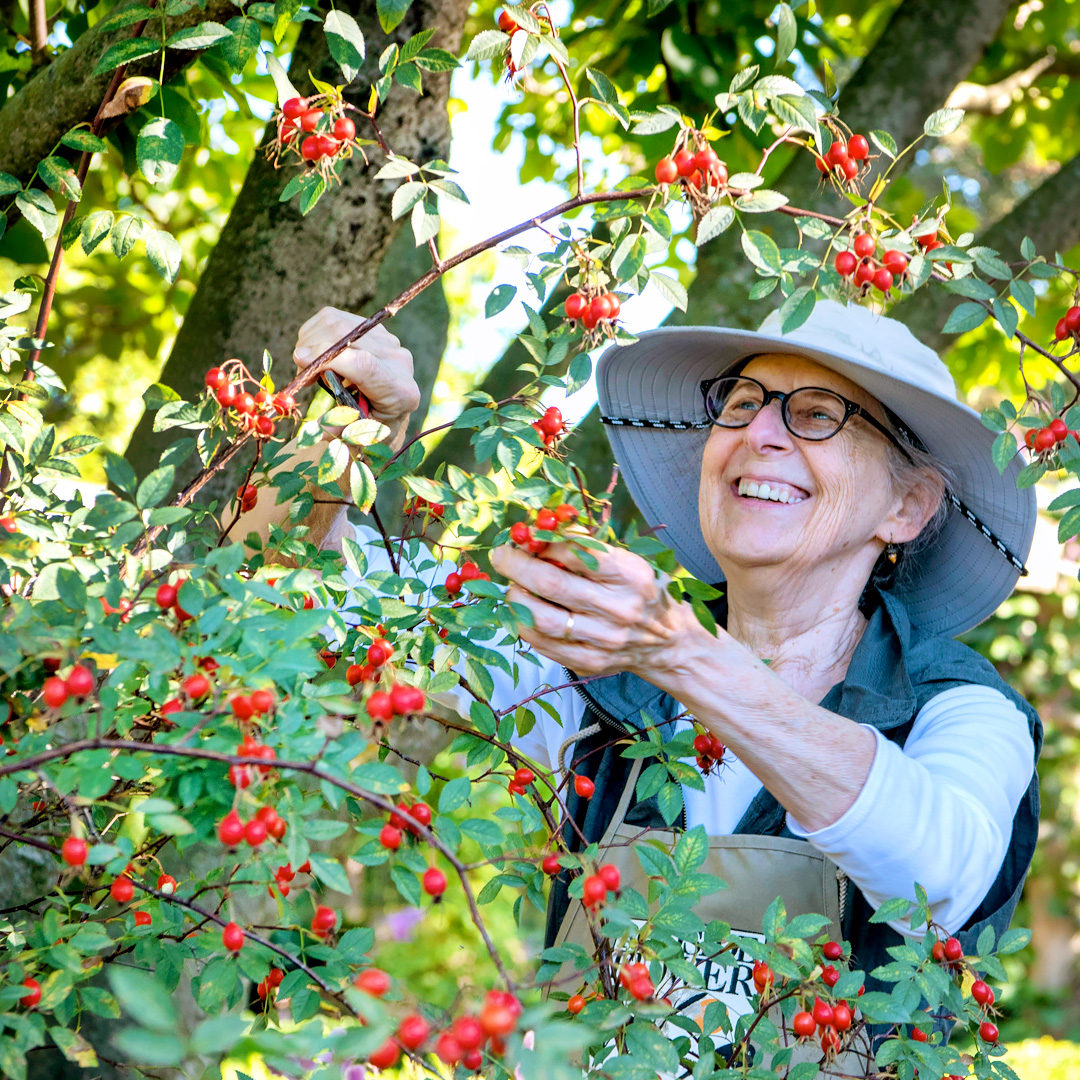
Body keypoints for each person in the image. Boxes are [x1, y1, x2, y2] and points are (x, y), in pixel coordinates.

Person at [252, 300, 1041, 1054]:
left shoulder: (961, 708)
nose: (759, 432)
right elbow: (303, 604)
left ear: (905, 507)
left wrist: (679, 652)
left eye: (816, 414)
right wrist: (338, 419)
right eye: (740, 402)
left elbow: (938, 872)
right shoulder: (602, 664)